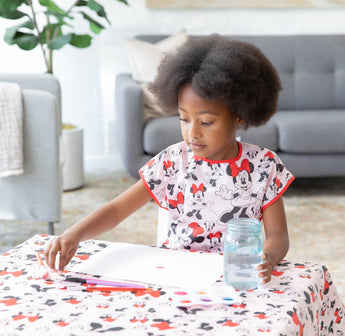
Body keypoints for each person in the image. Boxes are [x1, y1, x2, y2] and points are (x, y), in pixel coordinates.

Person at [45, 34, 294, 284]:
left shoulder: (263, 166)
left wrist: (268, 256)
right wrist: (74, 234)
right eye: (184, 119)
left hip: (234, 278)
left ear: (239, 115)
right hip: (177, 276)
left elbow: (278, 235)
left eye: (206, 122)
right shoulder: (172, 161)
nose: (192, 132)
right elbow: (116, 210)